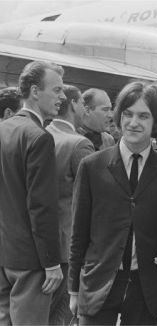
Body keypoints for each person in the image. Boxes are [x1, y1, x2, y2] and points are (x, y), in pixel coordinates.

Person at [68, 81, 157, 325]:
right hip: (99, 283)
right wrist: (74, 290)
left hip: (145, 287)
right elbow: (78, 232)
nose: (133, 122)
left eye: (143, 116)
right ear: (119, 116)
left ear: (156, 123)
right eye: (128, 114)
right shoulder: (91, 166)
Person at [0, 60, 64, 324]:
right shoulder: (39, 137)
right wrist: (51, 262)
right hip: (32, 261)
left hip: (5, 255)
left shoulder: (4, 129)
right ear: (35, 91)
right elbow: (42, 206)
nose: (62, 97)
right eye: (57, 90)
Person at [46, 85, 94, 325]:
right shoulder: (79, 144)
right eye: (83, 104)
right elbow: (92, 199)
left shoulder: (42, 135)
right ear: (73, 104)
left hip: (38, 245)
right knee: (61, 317)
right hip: (67, 248)